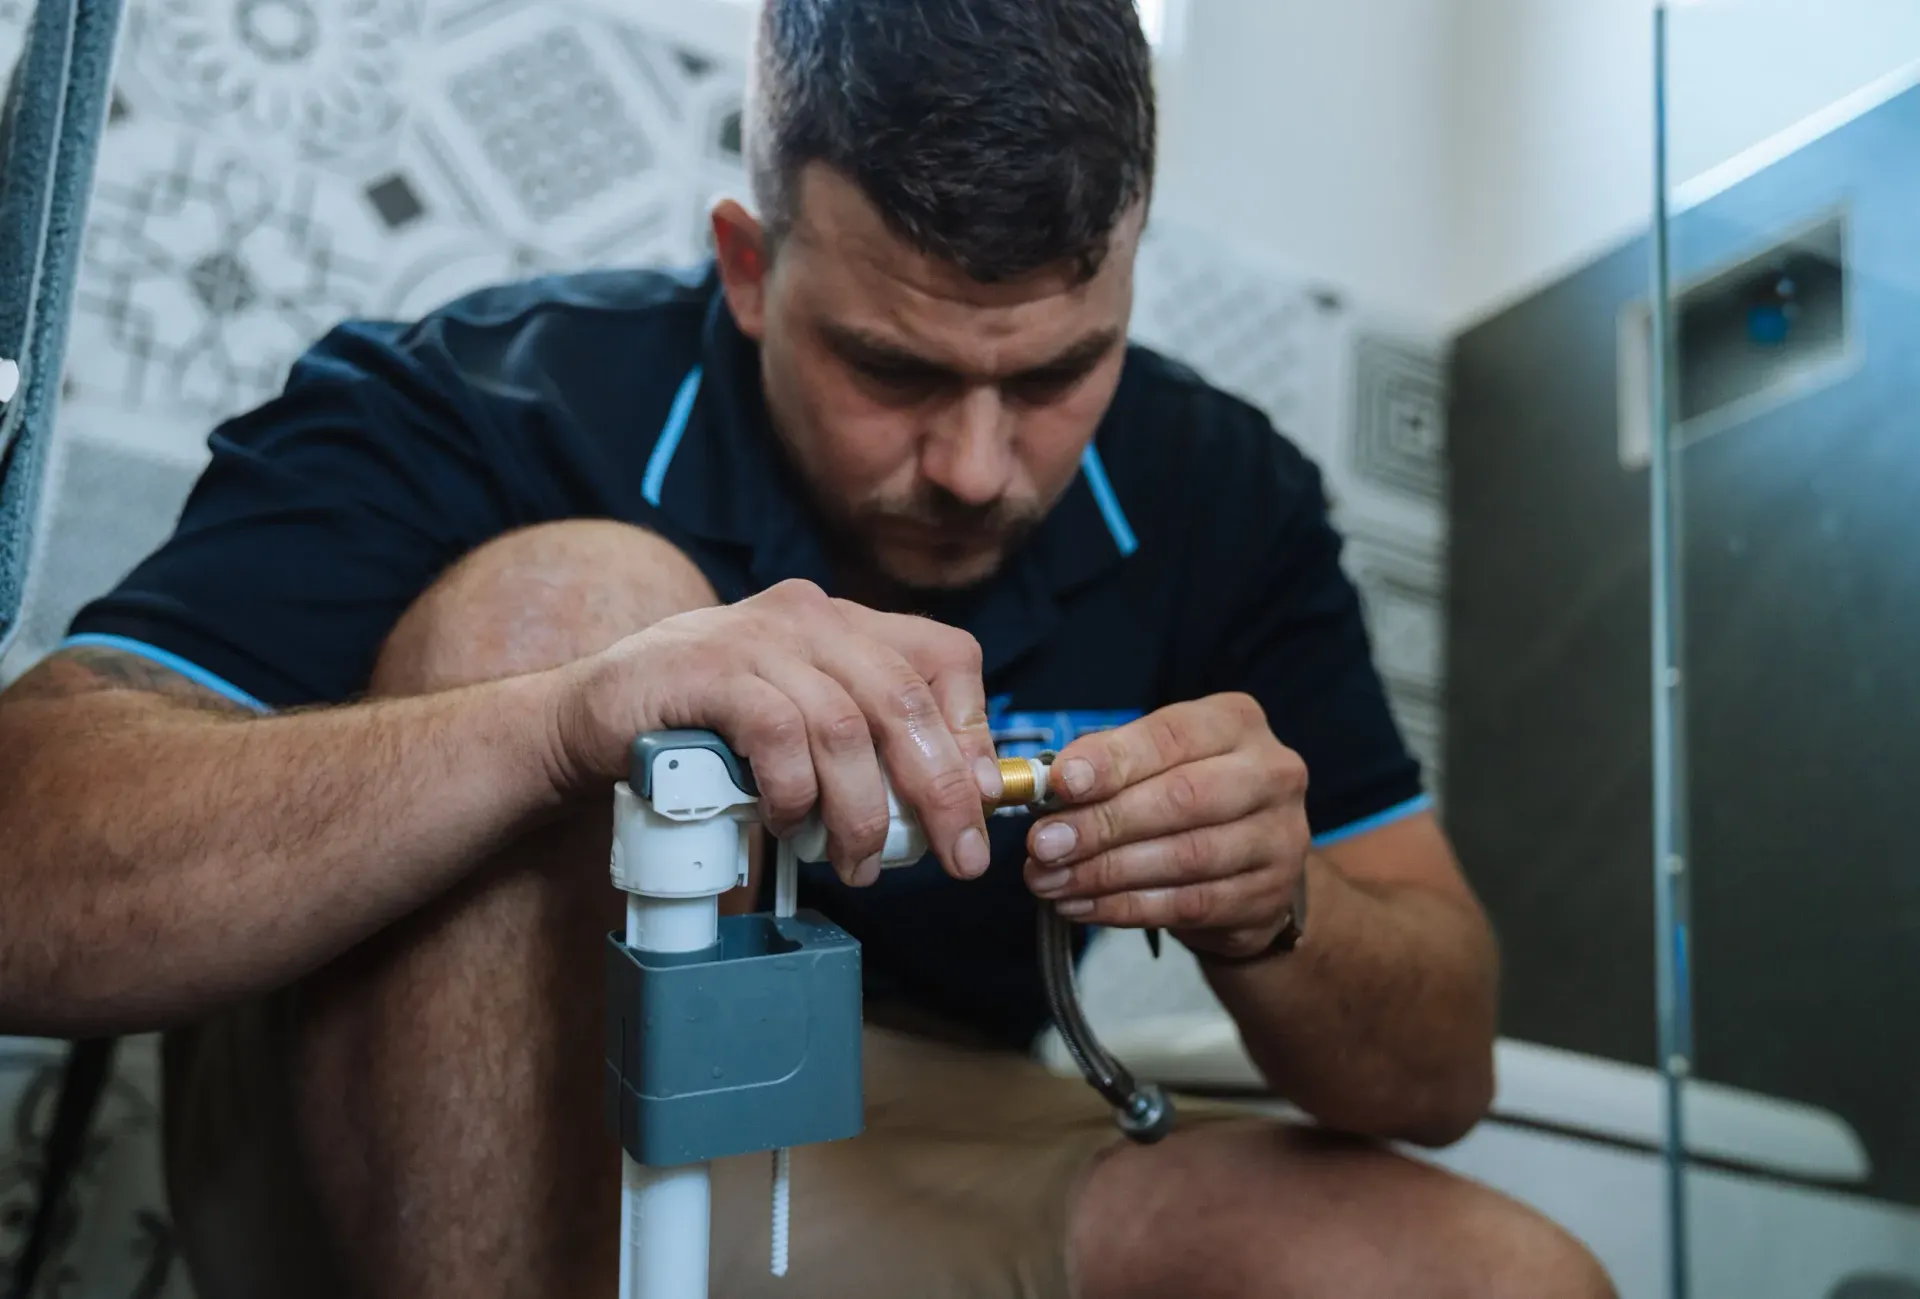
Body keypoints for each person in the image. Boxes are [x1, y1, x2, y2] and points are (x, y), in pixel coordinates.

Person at [0, 1, 1614, 1295]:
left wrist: (1284, 907)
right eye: (896, 369)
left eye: (1062, 370)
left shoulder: (1223, 493)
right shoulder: (482, 397)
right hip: (444, 1111)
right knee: (564, 596)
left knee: (1496, 1272)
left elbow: (1440, 1066)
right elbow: (26, 876)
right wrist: (563, 718)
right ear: (752, 266)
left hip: (883, 1131)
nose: (981, 465)